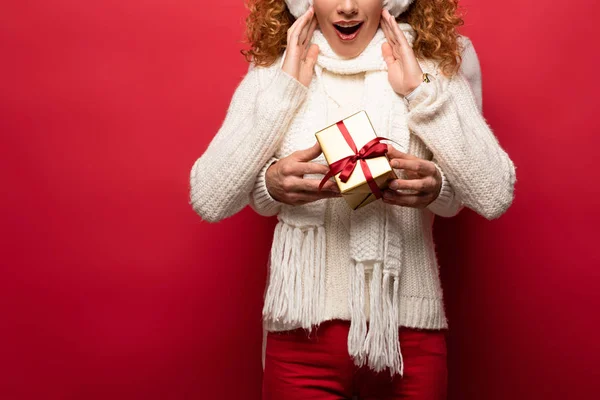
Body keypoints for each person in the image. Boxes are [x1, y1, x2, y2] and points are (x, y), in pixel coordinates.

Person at [189, 0, 517, 398]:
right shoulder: (279, 71)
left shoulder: (428, 69)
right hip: (301, 340)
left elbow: (494, 192)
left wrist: (421, 97)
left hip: (407, 337)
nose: (347, 7)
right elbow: (209, 196)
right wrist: (270, 177)